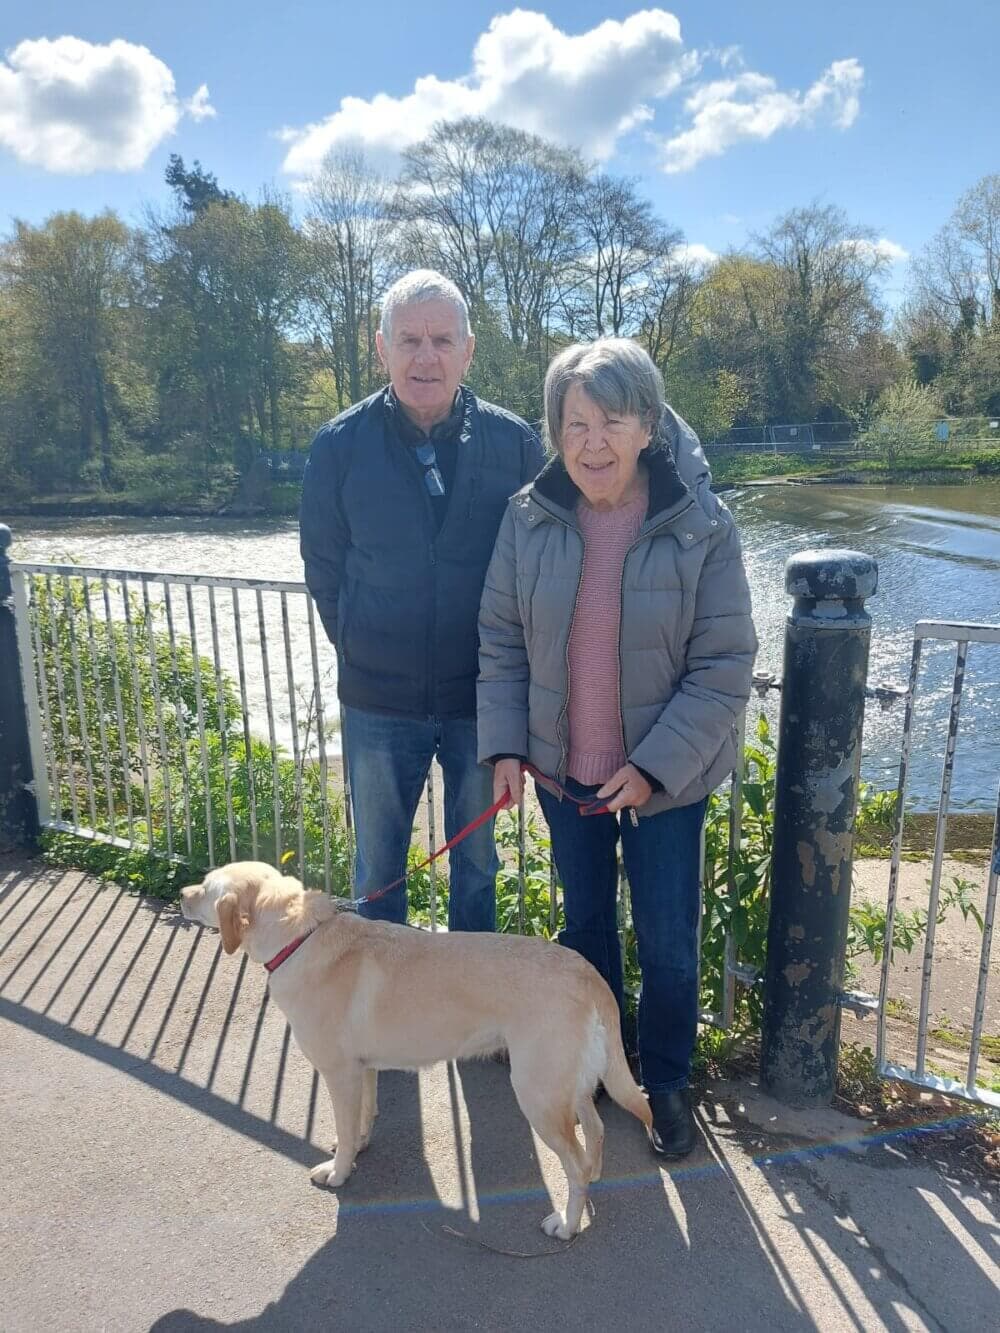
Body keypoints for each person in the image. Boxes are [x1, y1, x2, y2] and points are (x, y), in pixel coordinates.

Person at [477, 338, 757, 1156]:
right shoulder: (528, 517)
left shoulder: (702, 525)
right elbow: (500, 640)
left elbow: (723, 665)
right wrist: (504, 746)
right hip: (567, 776)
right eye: (575, 422)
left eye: (611, 420)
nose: (591, 441)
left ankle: (667, 1083)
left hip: (666, 780)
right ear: (555, 430)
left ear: (648, 427)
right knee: (587, 931)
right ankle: (602, 1065)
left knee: (669, 942)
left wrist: (654, 765)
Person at [300, 270, 544, 932]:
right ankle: (387, 1034)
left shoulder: (516, 443)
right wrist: (359, 644)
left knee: (477, 871)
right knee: (377, 876)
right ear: (381, 348)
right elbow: (323, 566)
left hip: (480, 702)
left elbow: (538, 568)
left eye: (441, 339)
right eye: (409, 339)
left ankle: (472, 1030)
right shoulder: (338, 447)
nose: (425, 356)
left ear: (468, 349)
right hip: (377, 703)